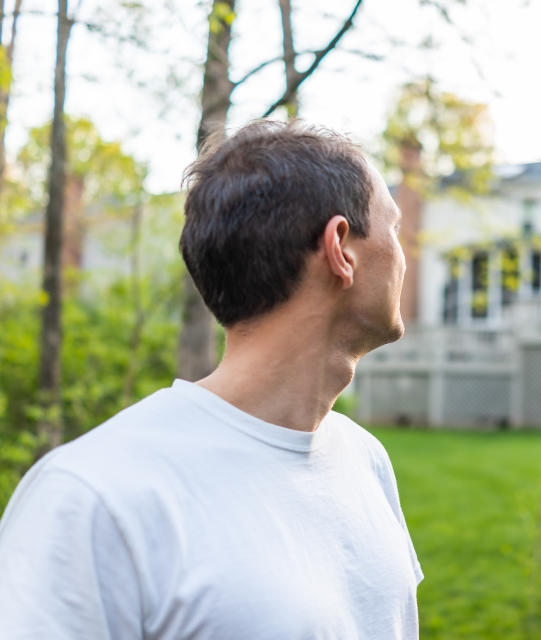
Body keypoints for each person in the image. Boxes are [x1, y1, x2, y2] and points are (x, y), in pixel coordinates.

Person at [0, 120, 423, 639]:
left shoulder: (365, 460)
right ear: (341, 248)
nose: (404, 256)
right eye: (395, 230)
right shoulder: (93, 496)